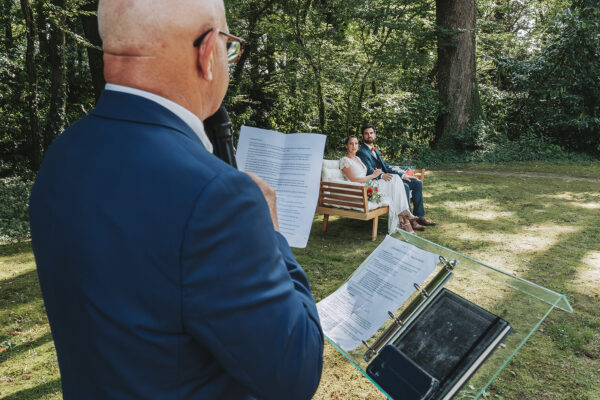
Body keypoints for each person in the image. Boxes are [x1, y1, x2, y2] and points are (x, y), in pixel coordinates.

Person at [28, 1, 323, 399]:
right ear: (207, 52)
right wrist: (272, 233)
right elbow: (295, 372)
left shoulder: (63, 154)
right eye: (229, 47)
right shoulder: (219, 197)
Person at [356, 123, 437, 231]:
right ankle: (410, 221)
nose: (369, 135)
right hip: (380, 182)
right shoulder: (362, 152)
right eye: (366, 134)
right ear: (362, 136)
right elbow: (369, 171)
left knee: (416, 183)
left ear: (374, 135)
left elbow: (386, 167)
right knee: (405, 186)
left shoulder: (375, 150)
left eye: (371, 133)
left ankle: (420, 216)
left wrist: (403, 175)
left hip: (390, 178)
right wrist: (382, 175)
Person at [340, 136, 417, 233]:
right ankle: (404, 215)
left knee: (396, 178)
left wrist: (376, 173)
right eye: (351, 143)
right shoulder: (345, 160)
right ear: (346, 146)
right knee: (394, 185)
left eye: (356, 143)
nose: (354, 146)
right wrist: (373, 175)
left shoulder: (358, 159)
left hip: (369, 184)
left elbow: (365, 173)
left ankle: (404, 212)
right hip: (360, 189)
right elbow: (354, 180)